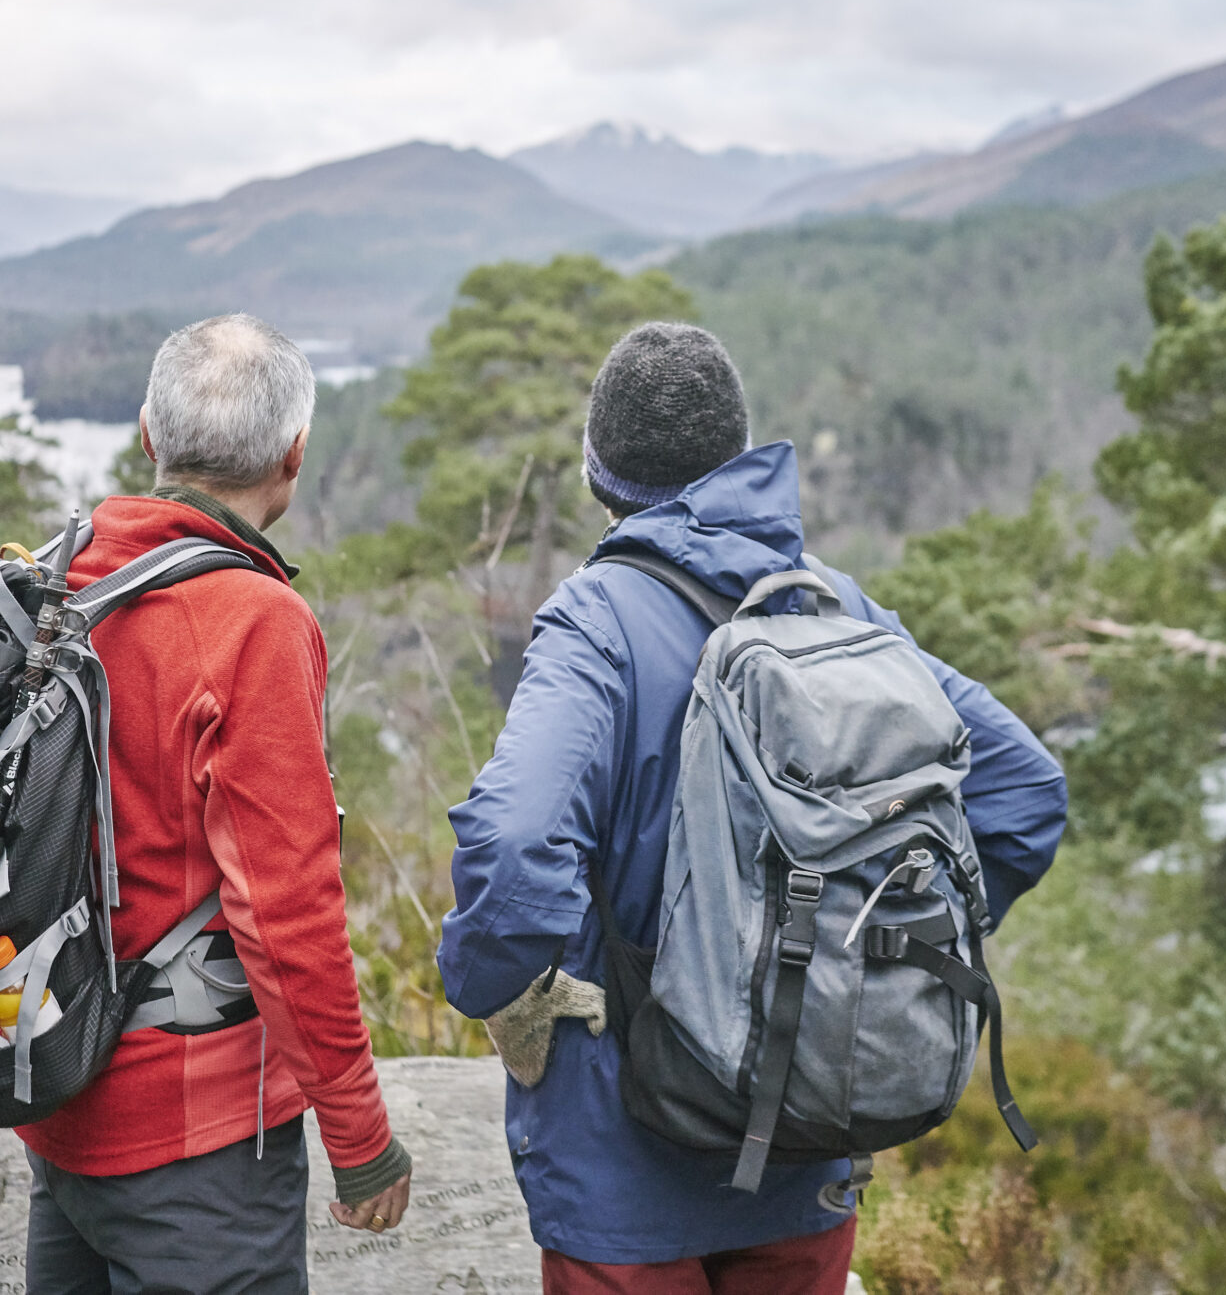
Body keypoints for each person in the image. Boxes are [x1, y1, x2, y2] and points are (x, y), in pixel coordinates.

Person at [438, 322, 1069, 1295]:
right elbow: (1022, 790)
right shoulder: (833, 607)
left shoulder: (596, 619)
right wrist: (866, 956)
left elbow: (517, 839)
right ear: (737, 459)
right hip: (803, 1139)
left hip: (624, 1165)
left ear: (595, 471)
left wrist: (493, 985)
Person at [19, 313, 410, 1295]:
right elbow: (285, 914)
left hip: (58, 1089)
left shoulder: (59, 575)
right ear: (294, 455)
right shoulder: (254, 623)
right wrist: (358, 1135)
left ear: (150, 435)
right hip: (196, 1152)